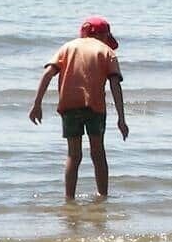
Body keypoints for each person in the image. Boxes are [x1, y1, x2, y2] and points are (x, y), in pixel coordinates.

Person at [30, 16, 128, 200]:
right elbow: (115, 85)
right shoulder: (107, 52)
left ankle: (69, 198)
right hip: (95, 107)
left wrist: (37, 104)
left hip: (69, 106)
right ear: (104, 36)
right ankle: (102, 196)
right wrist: (121, 118)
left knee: (73, 155)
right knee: (98, 153)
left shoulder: (67, 47)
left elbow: (48, 73)